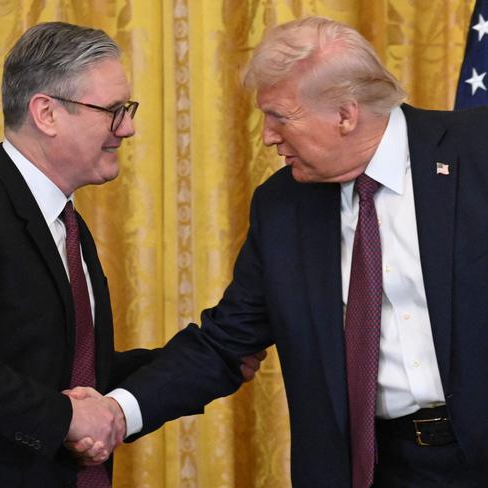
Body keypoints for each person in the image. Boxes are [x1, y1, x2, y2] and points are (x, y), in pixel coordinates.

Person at [94, 16, 488, 488]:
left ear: (345, 114)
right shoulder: (282, 206)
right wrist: (117, 410)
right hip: (374, 469)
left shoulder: (477, 150)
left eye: (280, 116)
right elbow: (223, 344)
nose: (267, 136)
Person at [0, 22, 264, 488]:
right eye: (114, 111)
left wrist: (207, 362)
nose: (129, 127)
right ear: (47, 113)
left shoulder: (63, 221)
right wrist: (69, 419)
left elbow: (67, 370)